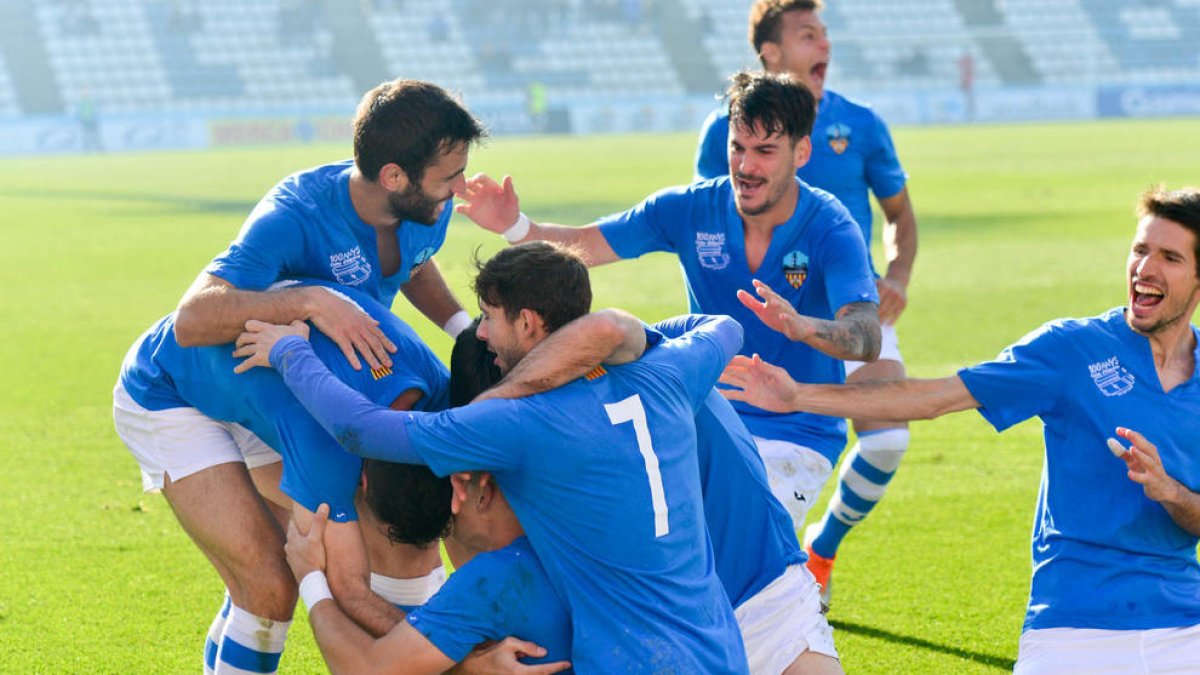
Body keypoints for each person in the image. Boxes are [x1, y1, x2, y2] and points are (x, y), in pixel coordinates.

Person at [720, 186, 1200, 673]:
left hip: (1185, 627)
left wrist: (1171, 492)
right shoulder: (1073, 349)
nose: (1145, 269)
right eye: (1140, 250)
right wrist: (798, 396)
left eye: (1170, 257)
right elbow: (933, 397)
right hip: (1072, 627)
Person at [237, 242, 752, 674]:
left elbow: (361, 430)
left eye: (488, 317)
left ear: (528, 323)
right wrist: (621, 333)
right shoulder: (665, 375)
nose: (480, 332)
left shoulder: (519, 423)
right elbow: (725, 327)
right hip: (722, 654)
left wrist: (290, 353)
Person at [456, 71, 880, 542]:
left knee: (738, 548)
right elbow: (586, 245)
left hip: (796, 432)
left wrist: (803, 328)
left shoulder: (831, 226)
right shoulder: (690, 209)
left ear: (801, 153)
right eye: (738, 147)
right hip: (700, 419)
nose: (745, 166)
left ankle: (800, 595)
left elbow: (865, 336)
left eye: (764, 151)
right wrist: (515, 226)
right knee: (640, 536)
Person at [694, 0, 920, 605]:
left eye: (825, 34)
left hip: (850, 313)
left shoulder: (861, 123)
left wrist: (896, 273)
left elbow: (900, 214)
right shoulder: (725, 132)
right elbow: (709, 224)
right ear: (770, 53)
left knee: (889, 440)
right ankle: (771, 584)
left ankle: (822, 550)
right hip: (771, 314)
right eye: (807, 34)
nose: (824, 44)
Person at [114, 279, 451, 673]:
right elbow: (347, 590)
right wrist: (459, 660)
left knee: (397, 548)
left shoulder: (441, 397)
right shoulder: (326, 451)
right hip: (164, 387)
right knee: (268, 584)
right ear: (360, 480)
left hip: (262, 388)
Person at [282, 322, 573, 674]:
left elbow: (365, 668)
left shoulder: (493, 581)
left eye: (449, 518)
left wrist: (311, 576)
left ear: (481, 493)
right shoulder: (592, 524)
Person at [174, 78, 487, 372]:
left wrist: (464, 331)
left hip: (312, 378)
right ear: (394, 177)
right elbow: (191, 320)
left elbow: (412, 264)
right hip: (222, 391)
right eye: (449, 177)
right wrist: (312, 301)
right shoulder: (292, 216)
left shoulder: (430, 204)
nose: (461, 188)